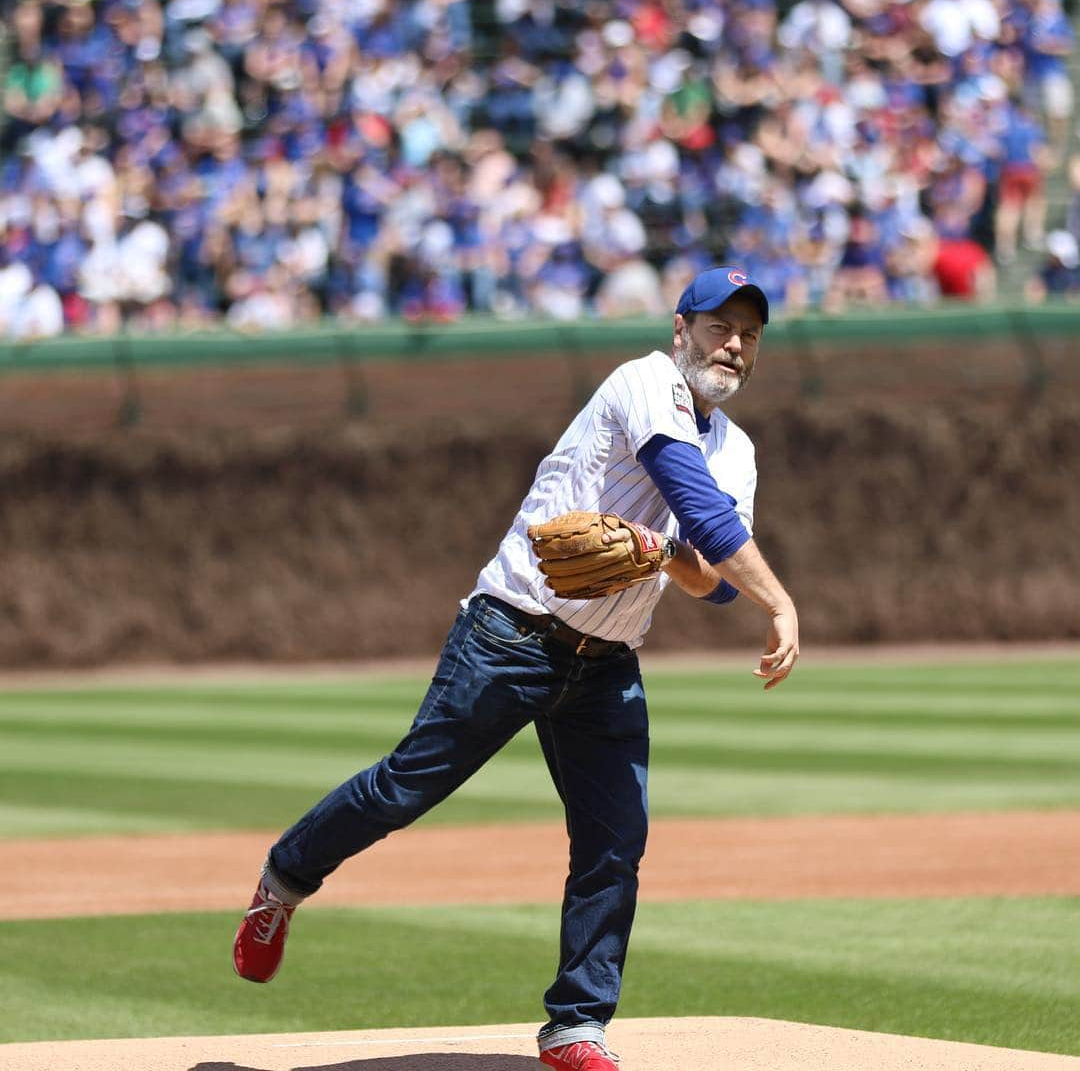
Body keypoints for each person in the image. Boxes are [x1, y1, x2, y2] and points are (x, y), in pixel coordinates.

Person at [231, 267, 801, 1071]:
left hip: (606, 663)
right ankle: (283, 881)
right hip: (510, 634)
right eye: (719, 326)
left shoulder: (736, 450)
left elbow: (707, 582)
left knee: (615, 840)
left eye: (750, 333)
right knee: (405, 786)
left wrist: (668, 555)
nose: (734, 345)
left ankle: (576, 1026)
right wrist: (779, 604)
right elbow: (694, 502)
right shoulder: (643, 384)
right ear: (681, 329)